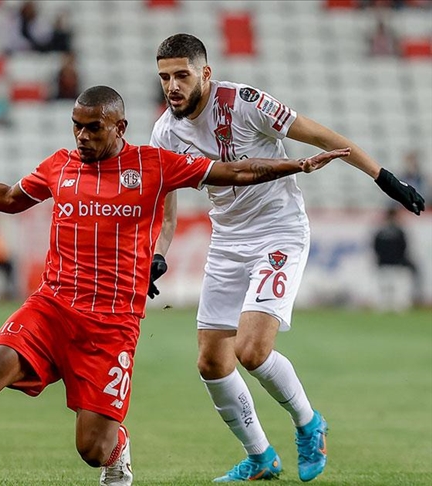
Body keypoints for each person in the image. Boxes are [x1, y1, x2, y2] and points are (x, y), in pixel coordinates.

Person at [0, 85, 349, 486]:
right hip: (51, 306)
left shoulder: (154, 165)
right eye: (77, 125)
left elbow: (233, 170)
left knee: (92, 449)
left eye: (93, 127)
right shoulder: (60, 166)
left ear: (119, 127)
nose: (83, 136)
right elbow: (9, 197)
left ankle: (119, 451)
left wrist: (297, 164)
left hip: (111, 327)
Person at [149, 33, 425, 482]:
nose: (172, 86)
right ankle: (260, 456)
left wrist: (383, 177)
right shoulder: (165, 132)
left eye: (182, 74)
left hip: (279, 232)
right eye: (164, 77)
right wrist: (159, 254)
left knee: (253, 350)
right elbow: (168, 201)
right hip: (226, 241)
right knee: (211, 362)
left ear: (205, 72)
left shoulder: (244, 102)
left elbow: (318, 134)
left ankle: (309, 423)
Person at [372, 207, 416, 312]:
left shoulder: (380, 232)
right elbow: (404, 247)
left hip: (385, 262)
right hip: (396, 262)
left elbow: (376, 247)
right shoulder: (399, 231)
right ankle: (399, 306)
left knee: (385, 286)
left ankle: (384, 306)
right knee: (396, 286)